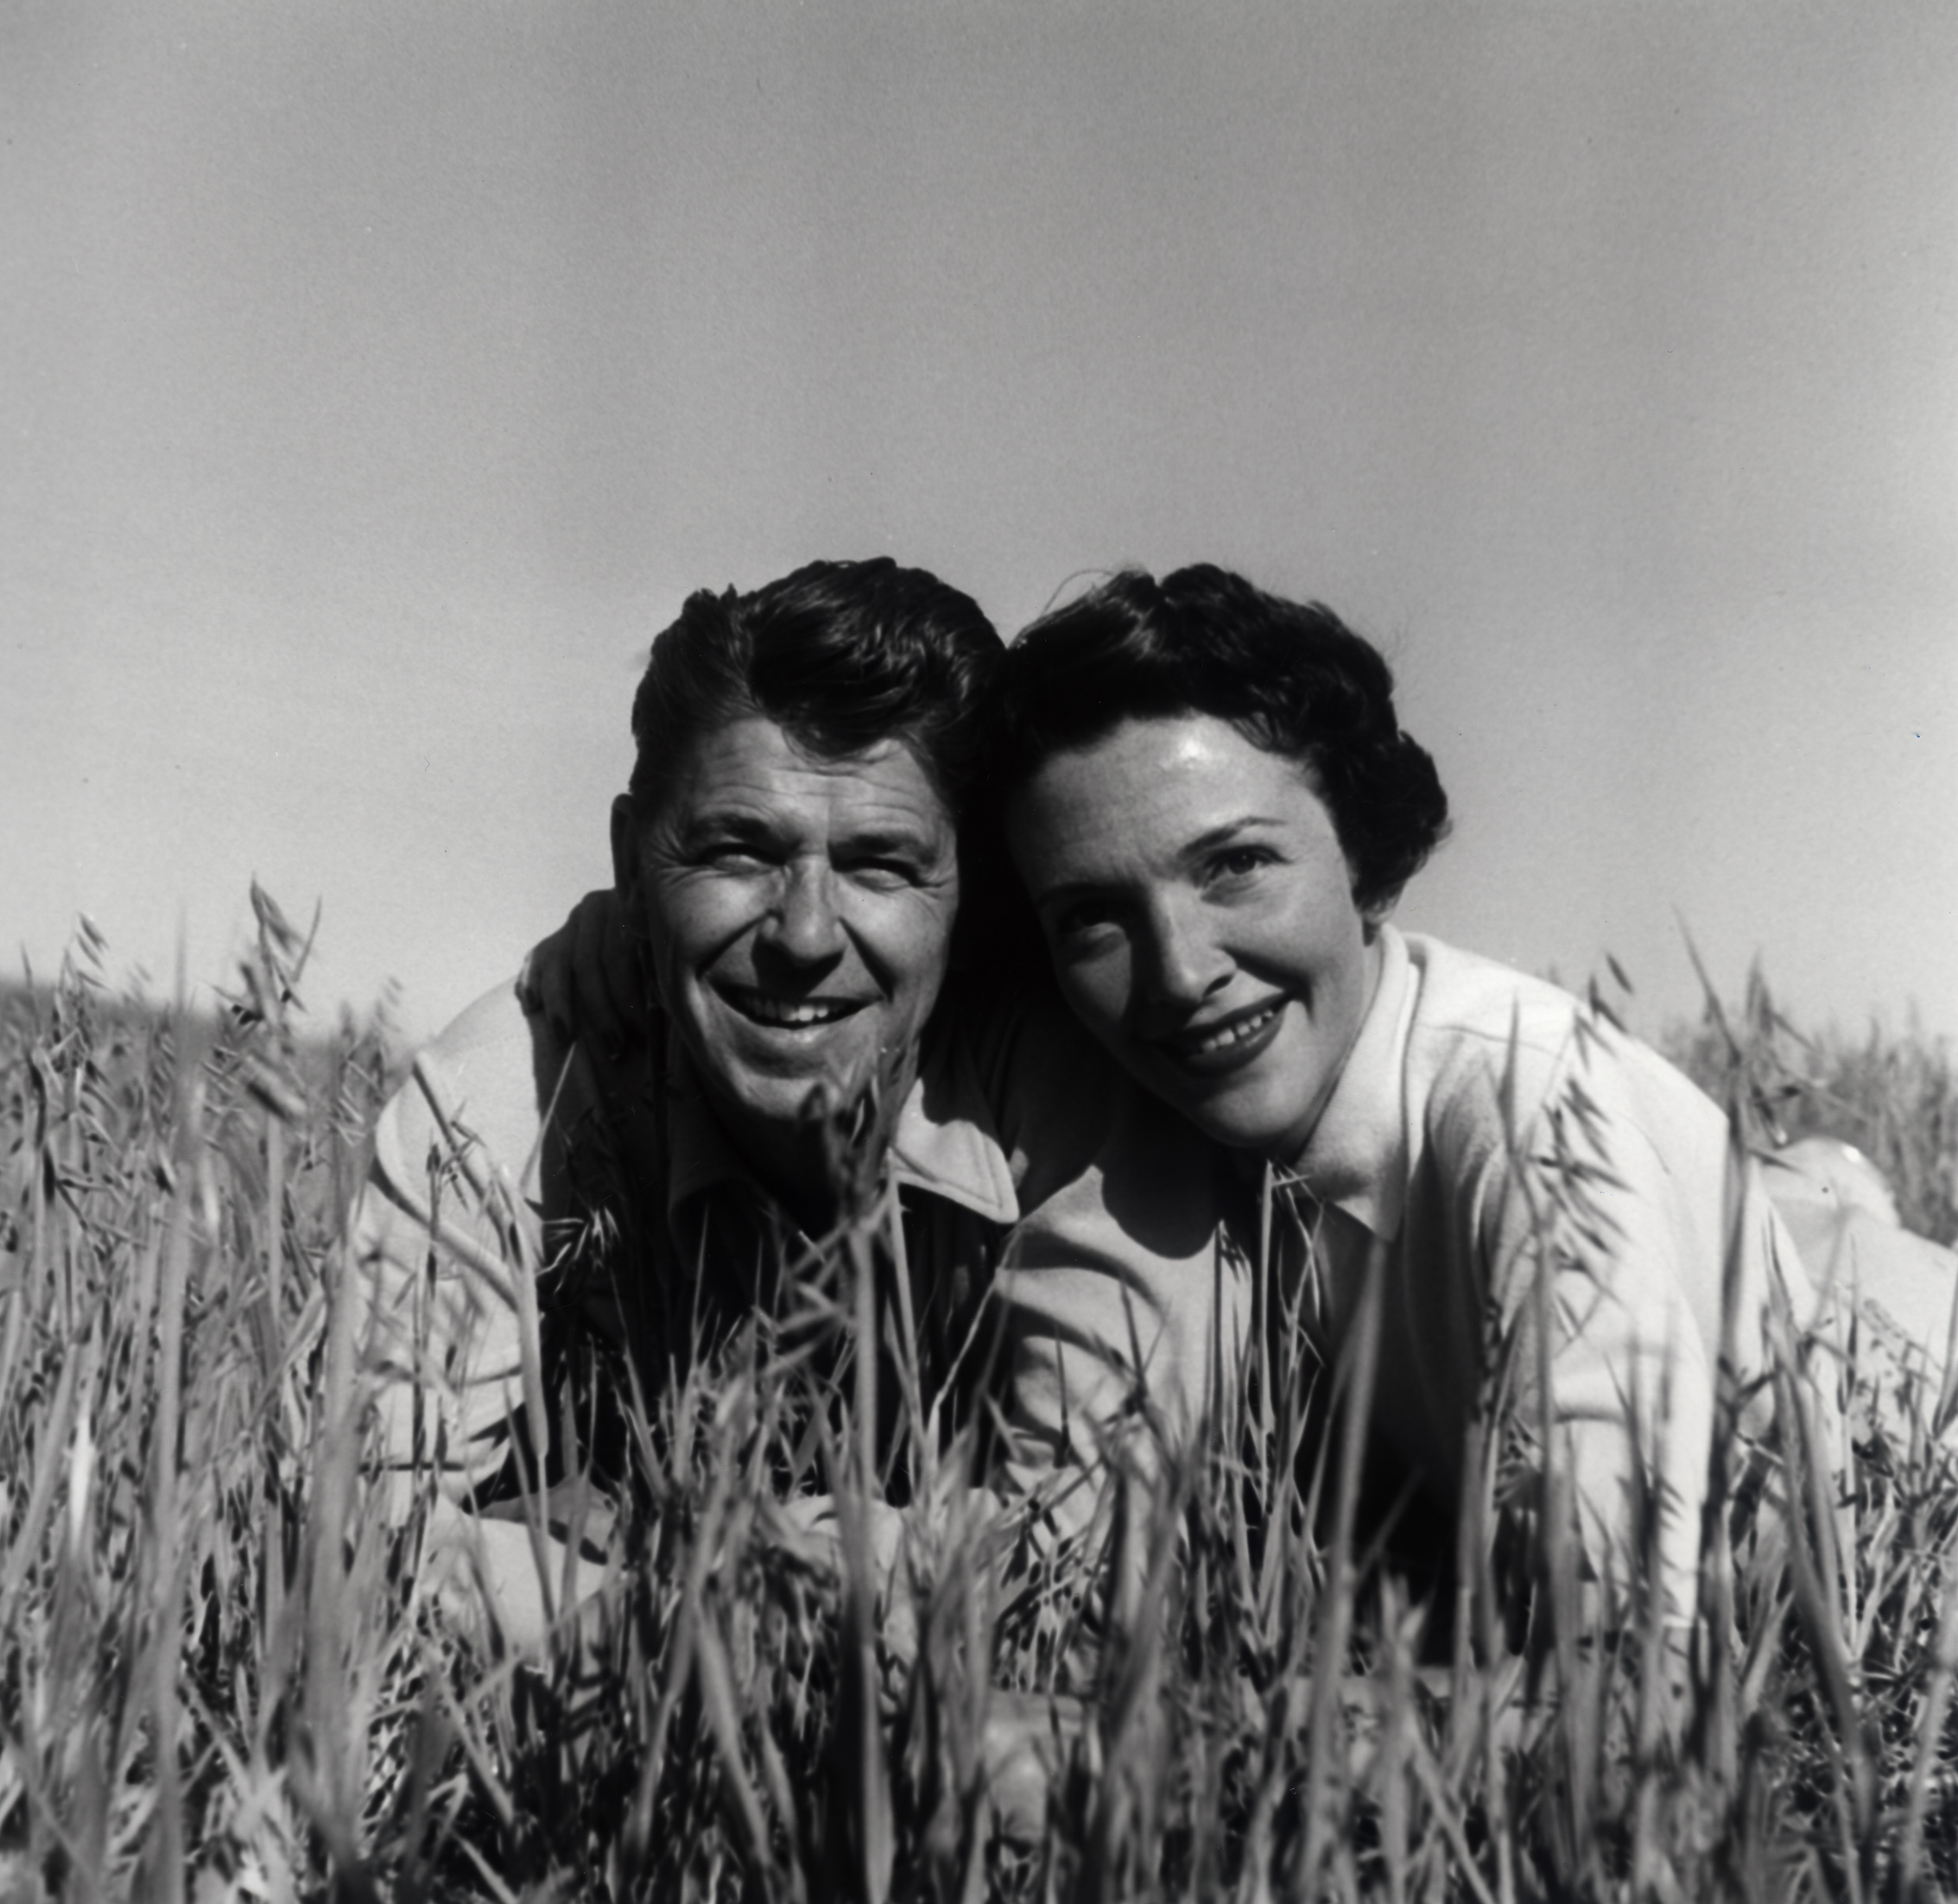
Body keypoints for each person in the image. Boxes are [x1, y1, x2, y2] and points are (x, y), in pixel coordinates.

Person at [349, 557, 1225, 1653]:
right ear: (631, 861)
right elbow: (351, 1522)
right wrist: (695, 1623)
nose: (804, 936)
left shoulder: (1072, 1087)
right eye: (736, 849)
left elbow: (1098, 1557)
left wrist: (635, 1567)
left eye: (881, 865)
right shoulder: (519, 1075)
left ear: (978, 892)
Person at [981, 565, 1841, 1623]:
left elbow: (1630, 1687)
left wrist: (1113, 1749)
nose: (1177, 971)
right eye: (1091, 919)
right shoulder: (1215, 1145)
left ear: (1365, 857)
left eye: (1235, 865)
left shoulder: (1523, 1108)